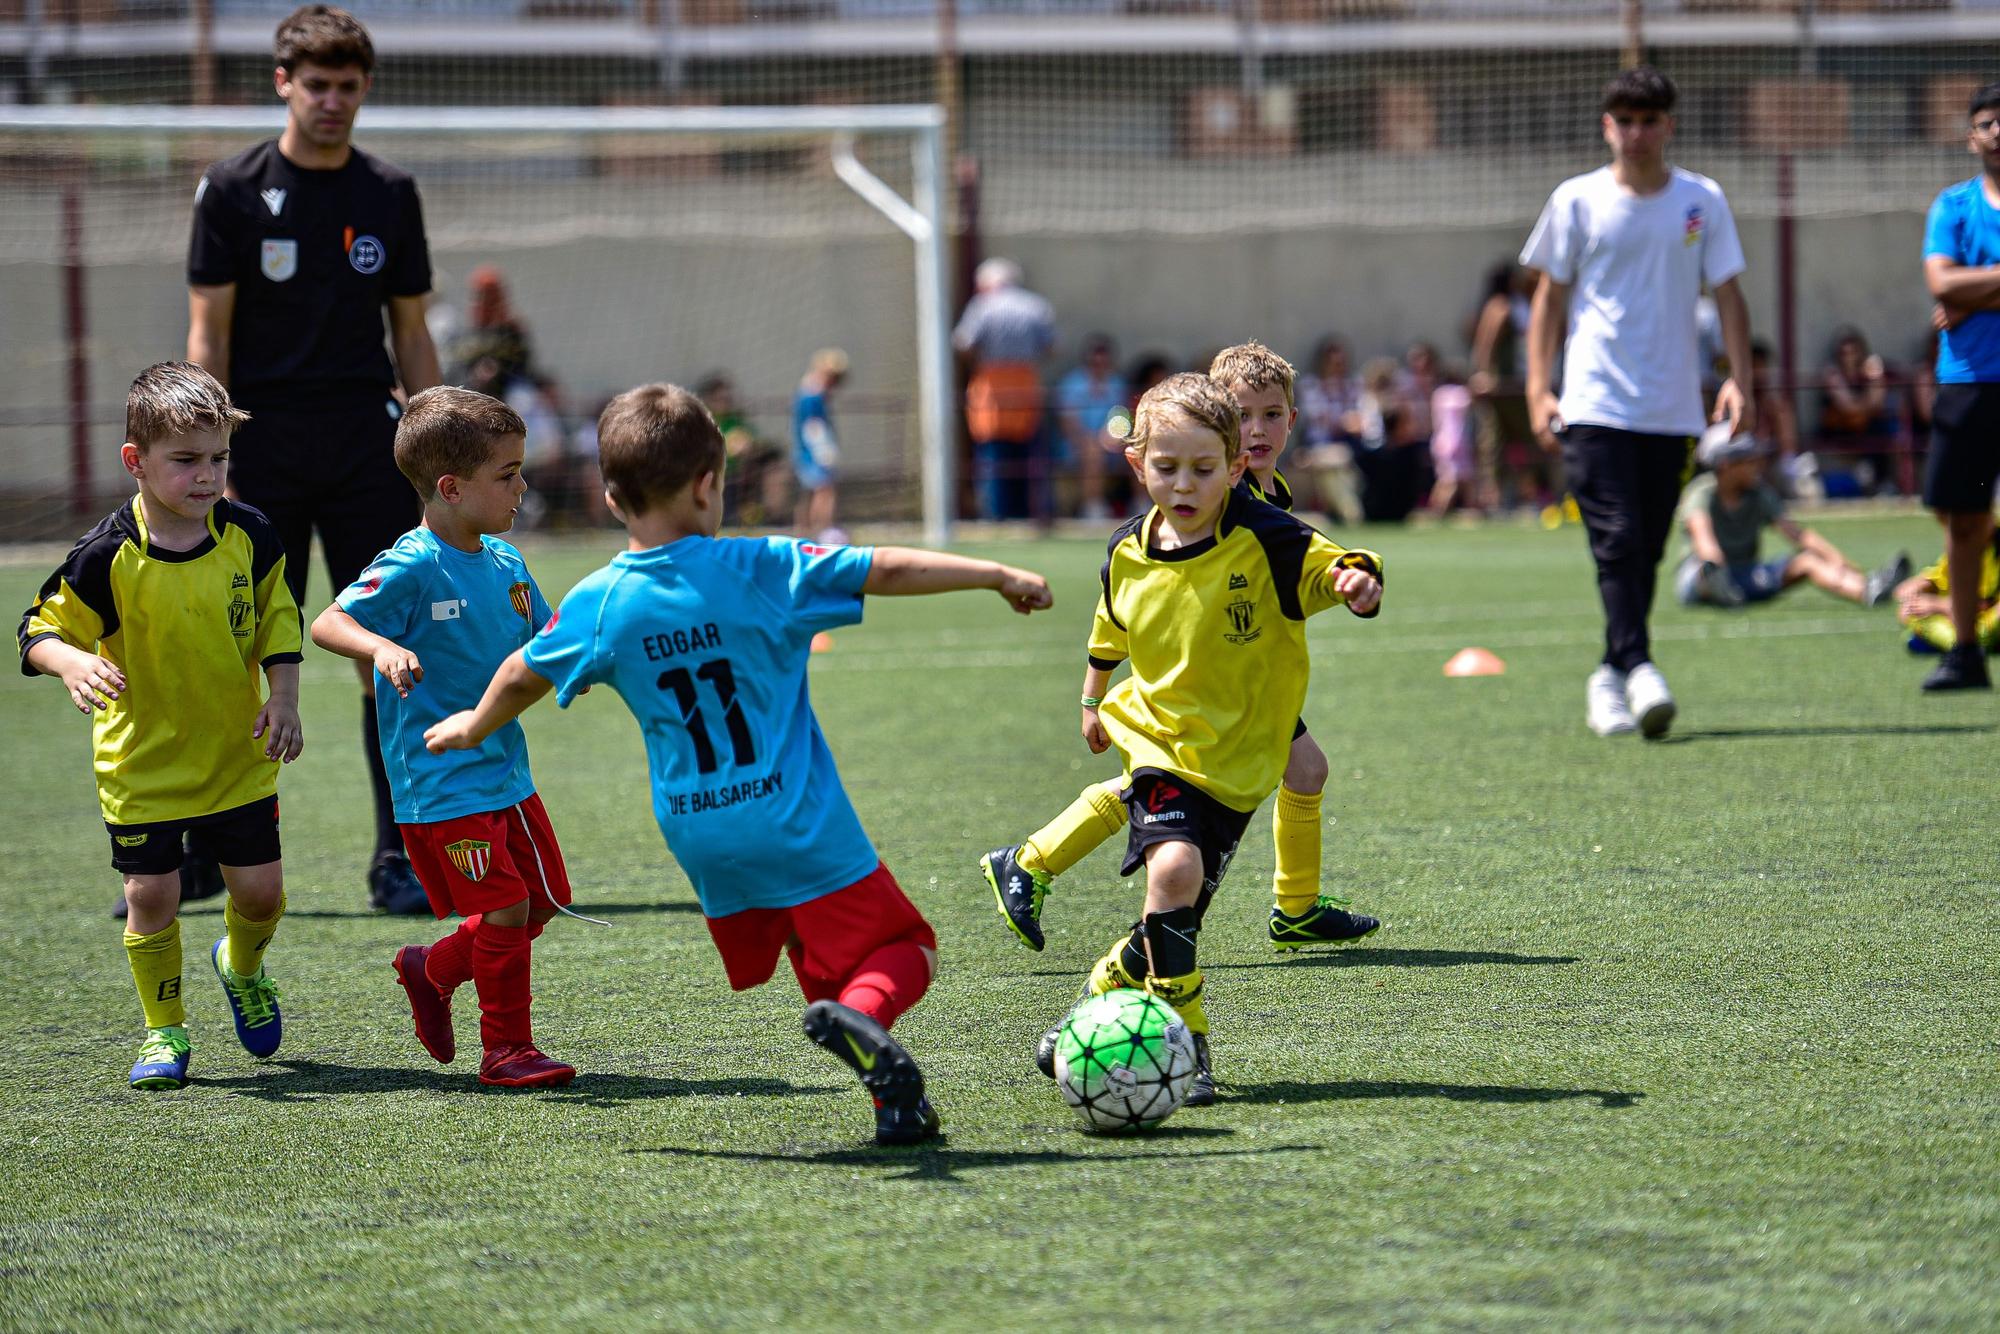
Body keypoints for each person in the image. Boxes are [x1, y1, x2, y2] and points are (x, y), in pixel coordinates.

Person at [423, 383, 1054, 1145]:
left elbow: (524, 669)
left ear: (614, 498)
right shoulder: (762, 566)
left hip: (702, 838)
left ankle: (895, 1096)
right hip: (794, 819)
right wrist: (994, 574)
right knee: (904, 949)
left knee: (827, 967)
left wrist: (473, 724)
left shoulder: (600, 600)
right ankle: (864, 1020)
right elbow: (881, 568)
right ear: (707, 484)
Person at [982, 373, 1383, 1107]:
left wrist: (1358, 581)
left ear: (1235, 468)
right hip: (1161, 745)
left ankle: (1084, 1013)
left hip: (1242, 760)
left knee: (1173, 918)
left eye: (1204, 469)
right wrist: (1091, 698)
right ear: (1138, 465)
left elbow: (1336, 563)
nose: (1185, 483)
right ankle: (1189, 1044)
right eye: (1167, 467)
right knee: (1173, 874)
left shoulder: (1266, 537)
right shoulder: (1126, 552)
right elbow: (1110, 626)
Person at [187, 4, 442, 912]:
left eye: (349, 86)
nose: (333, 101)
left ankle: (401, 857)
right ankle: (200, 854)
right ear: (284, 83)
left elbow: (410, 331)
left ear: (364, 90)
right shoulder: (231, 189)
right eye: (317, 85)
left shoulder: (389, 193)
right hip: (261, 450)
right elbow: (207, 333)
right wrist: (211, 452)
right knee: (235, 652)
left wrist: (435, 436)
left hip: (368, 451)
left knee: (389, 653)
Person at [17, 362, 303, 1090]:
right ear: (135, 462)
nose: (206, 477)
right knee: (152, 897)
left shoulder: (250, 535)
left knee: (262, 893)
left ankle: (240, 968)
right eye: (186, 461)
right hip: (141, 765)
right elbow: (35, 631)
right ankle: (165, 1032)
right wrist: (71, 663)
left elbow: (279, 619)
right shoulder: (106, 556)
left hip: (236, 755)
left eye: (218, 459)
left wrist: (285, 699)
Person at [309, 387, 578, 1089]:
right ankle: (507, 1050)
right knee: (506, 906)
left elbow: (549, 641)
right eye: (508, 474)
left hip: (505, 771)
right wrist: (381, 650)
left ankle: (430, 969)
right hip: (442, 778)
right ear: (452, 488)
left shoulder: (507, 565)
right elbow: (329, 623)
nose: (523, 487)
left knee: (543, 900)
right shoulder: (414, 564)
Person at [1522, 65, 1753, 738]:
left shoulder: (1700, 201)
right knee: (1618, 538)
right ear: (1607, 127)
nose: (1637, 133)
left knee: (1646, 547)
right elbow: (1549, 300)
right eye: (1625, 121)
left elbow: (1730, 294)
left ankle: (1609, 671)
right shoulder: (1576, 200)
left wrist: (1739, 376)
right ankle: (1642, 664)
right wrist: (1540, 388)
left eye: (1650, 121)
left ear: (1669, 126)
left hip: (1674, 407)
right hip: (1593, 403)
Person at [1916, 81, 2000, 690]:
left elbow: (1958, 289)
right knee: (1965, 522)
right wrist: (1962, 294)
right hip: (1969, 386)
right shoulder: (1952, 206)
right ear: (1971, 135)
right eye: (1988, 122)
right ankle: (1966, 650)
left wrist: (1977, 293)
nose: (1998, 132)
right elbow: (1941, 285)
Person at [1673, 425, 1909, 611]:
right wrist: (1719, 575)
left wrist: (1843, 564)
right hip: (1699, 579)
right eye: (1748, 459)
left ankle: (1868, 588)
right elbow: (1705, 543)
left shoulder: (1759, 493)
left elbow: (1799, 536)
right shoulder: (1701, 492)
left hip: (1744, 573)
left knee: (1807, 561)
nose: (1757, 464)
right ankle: (1719, 588)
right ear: (1725, 464)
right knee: (1708, 571)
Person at [953, 258, 1056, 521]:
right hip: (1026, 384)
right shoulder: (1035, 306)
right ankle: (1031, 513)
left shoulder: (982, 307)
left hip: (992, 387)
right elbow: (1051, 347)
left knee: (993, 457)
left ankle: (995, 515)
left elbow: (963, 343)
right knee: (1029, 454)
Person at [1056, 333, 1131, 519]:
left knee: (1138, 449)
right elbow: (1068, 425)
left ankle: (1142, 504)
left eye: (1103, 356)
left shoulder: (1117, 383)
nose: (1099, 361)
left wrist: (1112, 436)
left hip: (1112, 445)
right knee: (1092, 450)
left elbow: (1122, 417)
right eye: (1095, 357)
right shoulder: (1072, 384)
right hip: (1075, 446)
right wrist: (1091, 441)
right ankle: (1093, 507)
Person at [1817, 326, 1900, 495]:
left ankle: (1885, 485)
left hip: (1867, 429)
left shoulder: (1868, 372)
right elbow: (1849, 409)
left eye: (1853, 353)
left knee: (1887, 428)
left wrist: (1876, 378)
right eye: (1844, 353)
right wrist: (1864, 407)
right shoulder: (1832, 373)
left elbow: (1876, 403)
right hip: (1840, 430)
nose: (1849, 358)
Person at [696, 372, 784, 529]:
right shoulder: (703, 421)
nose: (724, 403)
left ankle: (769, 516)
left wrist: (747, 446)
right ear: (708, 400)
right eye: (719, 399)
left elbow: (754, 441)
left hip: (741, 474)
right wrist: (726, 448)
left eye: (727, 398)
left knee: (773, 469)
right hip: (715, 474)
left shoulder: (736, 420)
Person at [1895, 530, 2000, 654]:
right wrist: (1918, 589)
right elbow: (1937, 577)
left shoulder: (1992, 542)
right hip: (1971, 615)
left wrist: (1938, 605)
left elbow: (1986, 602)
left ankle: (1960, 644)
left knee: (1978, 634)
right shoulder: (1964, 539)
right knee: (1913, 613)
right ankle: (1958, 641)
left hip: (1987, 617)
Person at [792, 348, 848, 542]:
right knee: (824, 490)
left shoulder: (811, 392)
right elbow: (812, 426)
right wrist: (823, 451)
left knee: (811, 492)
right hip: (811, 452)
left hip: (807, 451)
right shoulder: (812, 395)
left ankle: (806, 532)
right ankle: (820, 532)